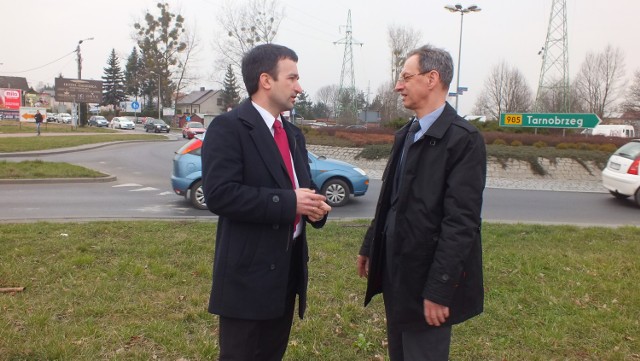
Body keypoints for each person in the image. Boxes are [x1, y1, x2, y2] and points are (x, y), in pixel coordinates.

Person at [201, 43, 332, 361]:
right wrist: (290, 203)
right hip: (247, 277)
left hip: (287, 272)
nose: (300, 88)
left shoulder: (292, 134)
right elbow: (220, 194)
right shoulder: (229, 128)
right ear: (266, 80)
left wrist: (316, 208)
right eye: (293, 78)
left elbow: (304, 187)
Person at [356, 44, 486, 361]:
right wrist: (370, 245)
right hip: (396, 270)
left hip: (427, 279)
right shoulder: (407, 134)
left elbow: (461, 223)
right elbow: (390, 200)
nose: (398, 85)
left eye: (406, 77)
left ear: (432, 78)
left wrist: (440, 290)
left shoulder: (463, 140)